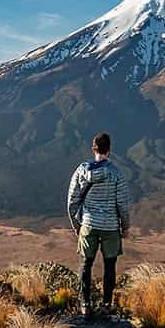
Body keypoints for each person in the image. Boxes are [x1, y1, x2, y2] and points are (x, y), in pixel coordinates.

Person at [67, 132, 130, 317]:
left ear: (93, 149)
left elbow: (72, 200)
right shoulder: (116, 174)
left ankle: (85, 304)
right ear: (109, 150)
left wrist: (76, 224)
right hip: (110, 227)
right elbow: (123, 205)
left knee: (86, 263)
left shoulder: (81, 171)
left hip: (88, 224)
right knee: (110, 265)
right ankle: (106, 304)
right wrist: (125, 227)